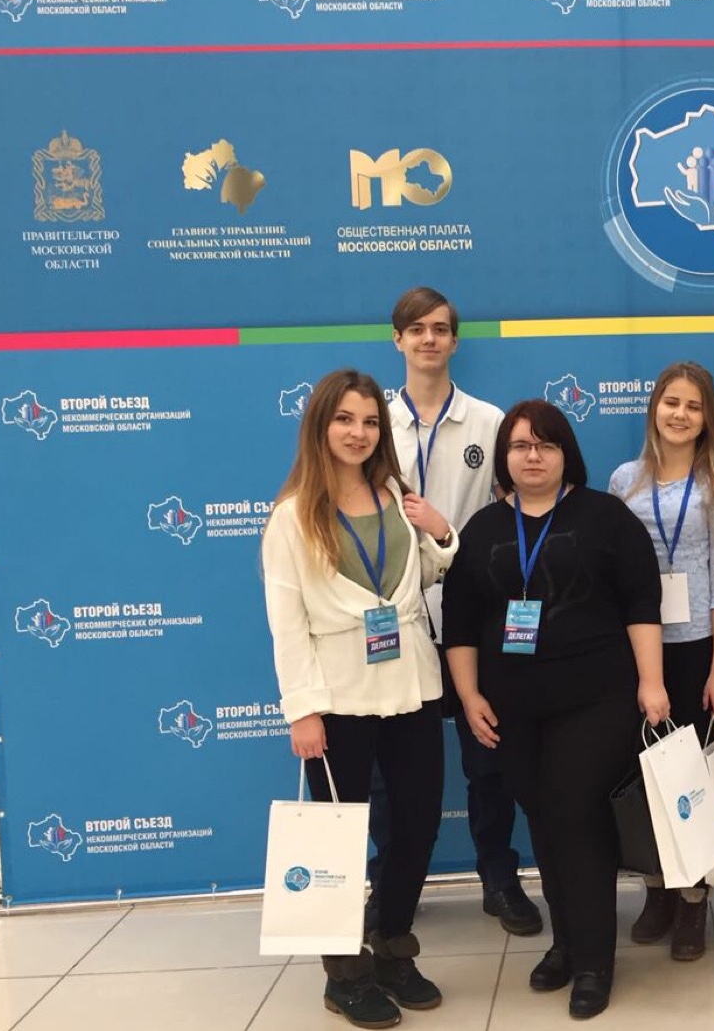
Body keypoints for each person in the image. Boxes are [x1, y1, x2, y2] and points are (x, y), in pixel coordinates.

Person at [441, 400, 669, 1019]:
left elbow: (641, 603)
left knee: (575, 816)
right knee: (542, 820)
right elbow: (460, 623)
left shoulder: (606, 517)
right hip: (512, 708)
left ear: (567, 453)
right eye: (520, 446)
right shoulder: (483, 529)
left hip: (596, 698)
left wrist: (652, 682)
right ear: (504, 458)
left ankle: (595, 961)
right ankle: (566, 945)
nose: (533, 456)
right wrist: (469, 696)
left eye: (546, 445)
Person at [261, 369, 456, 1029]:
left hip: (412, 687)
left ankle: (393, 946)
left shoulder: (396, 493)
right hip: (337, 698)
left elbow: (422, 574)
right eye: (345, 419)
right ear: (321, 426)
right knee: (339, 839)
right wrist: (302, 709)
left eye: (370, 421)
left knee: (418, 824)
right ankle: (343, 976)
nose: (358, 432)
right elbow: (287, 623)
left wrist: (442, 533)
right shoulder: (293, 517)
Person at [381, 285, 543, 938]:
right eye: (417, 329)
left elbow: (515, 514)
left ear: (454, 340)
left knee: (488, 759)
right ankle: (393, 886)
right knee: (395, 768)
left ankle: (499, 879)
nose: (429, 339)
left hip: (476, 616)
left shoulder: (489, 422)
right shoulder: (373, 423)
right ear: (398, 339)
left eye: (441, 328)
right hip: (395, 619)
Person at [609, 362, 714, 961]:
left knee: (692, 780)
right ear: (654, 408)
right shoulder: (624, 480)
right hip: (635, 650)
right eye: (671, 402)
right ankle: (658, 888)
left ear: (706, 417)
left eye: (693, 405)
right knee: (645, 775)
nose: (680, 414)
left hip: (694, 650)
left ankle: (694, 898)